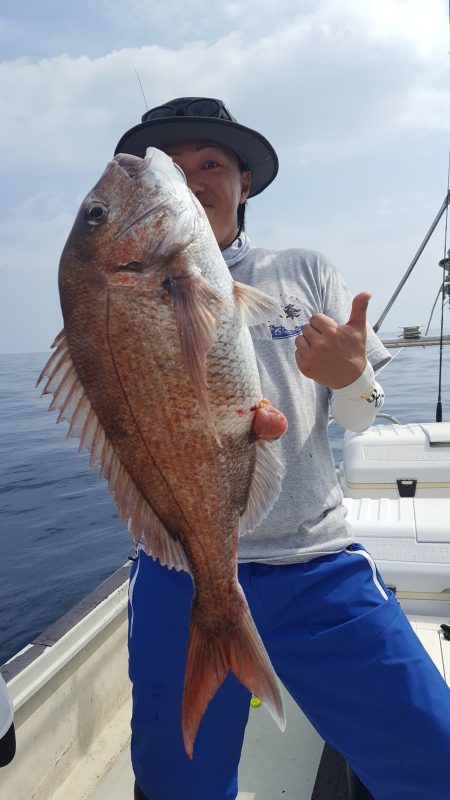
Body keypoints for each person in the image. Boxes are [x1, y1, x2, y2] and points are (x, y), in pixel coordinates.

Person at [114, 97, 450, 800]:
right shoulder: (125, 289)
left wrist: (354, 379)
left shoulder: (303, 271)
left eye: (212, 163)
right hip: (180, 570)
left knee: (435, 756)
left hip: (316, 567)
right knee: (177, 785)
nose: (193, 177)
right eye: (173, 167)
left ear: (245, 184)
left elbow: (362, 420)